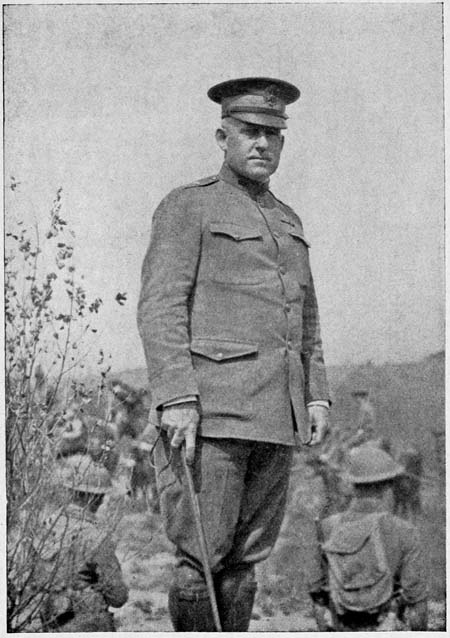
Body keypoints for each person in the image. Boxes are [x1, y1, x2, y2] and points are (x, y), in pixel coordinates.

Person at [137, 76, 331, 631]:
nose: (263, 143)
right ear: (223, 137)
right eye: (249, 131)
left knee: (245, 565)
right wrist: (177, 396)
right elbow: (161, 306)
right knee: (202, 559)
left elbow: (306, 317)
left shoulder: (288, 220)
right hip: (211, 416)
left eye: (274, 134)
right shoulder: (189, 206)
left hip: (276, 418)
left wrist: (316, 396)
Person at [308, 446, 428, 631]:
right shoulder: (404, 531)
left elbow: (318, 598)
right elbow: (416, 606)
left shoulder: (327, 527)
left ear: (352, 484)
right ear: (387, 485)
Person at [33, 454, 129, 631]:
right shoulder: (95, 536)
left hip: (49, 619)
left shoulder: (47, 524)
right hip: (86, 623)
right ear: (97, 498)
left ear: (70, 491)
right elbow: (118, 597)